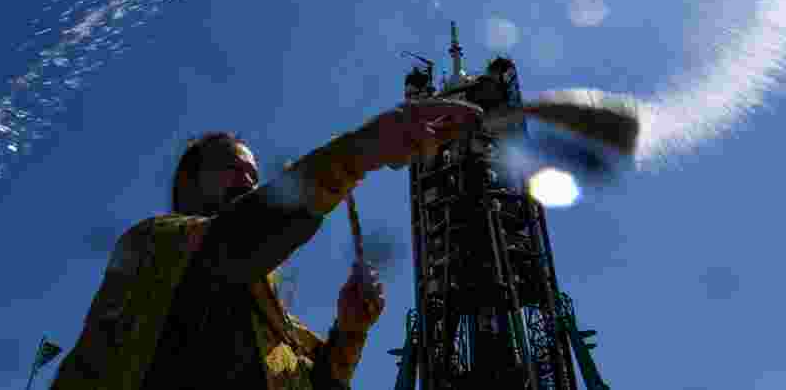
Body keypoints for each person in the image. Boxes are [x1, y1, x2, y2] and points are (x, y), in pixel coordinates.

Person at [51, 99, 482, 390]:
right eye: (231, 167)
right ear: (187, 182)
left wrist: (351, 330)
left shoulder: (278, 330)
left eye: (254, 176)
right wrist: (361, 151)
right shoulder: (155, 244)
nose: (248, 181)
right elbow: (233, 243)